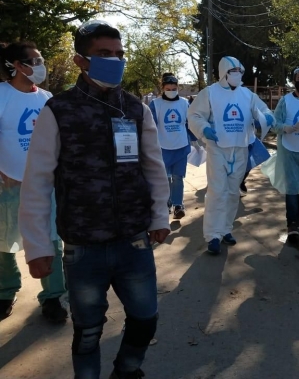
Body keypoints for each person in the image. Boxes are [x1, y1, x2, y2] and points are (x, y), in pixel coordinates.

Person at [19, 20, 171, 379]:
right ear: (80, 61)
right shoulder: (59, 111)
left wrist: (159, 217)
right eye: (104, 54)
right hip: (84, 246)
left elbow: (153, 167)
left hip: (133, 241)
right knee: (87, 333)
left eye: (119, 54)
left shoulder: (136, 109)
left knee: (145, 320)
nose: (115, 61)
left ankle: (126, 370)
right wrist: (37, 246)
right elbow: (37, 181)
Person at [0, 42, 67, 323]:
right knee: (4, 242)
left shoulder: (47, 98)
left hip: (44, 185)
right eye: (35, 60)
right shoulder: (1, 95)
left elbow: (58, 140)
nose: (41, 65)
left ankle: (52, 297)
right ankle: (5, 291)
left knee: (51, 241)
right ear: (17, 65)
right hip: (8, 186)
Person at [187, 56, 274, 254]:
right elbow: (194, 115)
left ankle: (226, 229)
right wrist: (204, 129)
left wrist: (267, 117)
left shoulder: (247, 95)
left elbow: (263, 109)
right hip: (218, 148)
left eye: (239, 71)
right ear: (224, 72)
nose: (237, 74)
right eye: (233, 70)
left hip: (241, 148)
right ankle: (212, 235)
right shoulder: (209, 93)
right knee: (217, 192)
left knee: (233, 192)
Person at [264, 67, 299, 243]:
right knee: (292, 187)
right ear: (294, 81)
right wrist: (285, 128)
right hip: (290, 149)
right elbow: (275, 123)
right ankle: (292, 223)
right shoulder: (286, 101)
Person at [149, 73, 194, 220]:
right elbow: (150, 126)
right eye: (168, 88)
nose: (171, 91)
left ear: (178, 87)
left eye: (174, 88)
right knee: (165, 178)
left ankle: (178, 205)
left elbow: (191, 123)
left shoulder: (184, 103)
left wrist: (196, 139)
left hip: (181, 146)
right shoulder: (155, 104)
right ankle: (167, 203)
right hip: (162, 147)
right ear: (162, 88)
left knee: (178, 177)